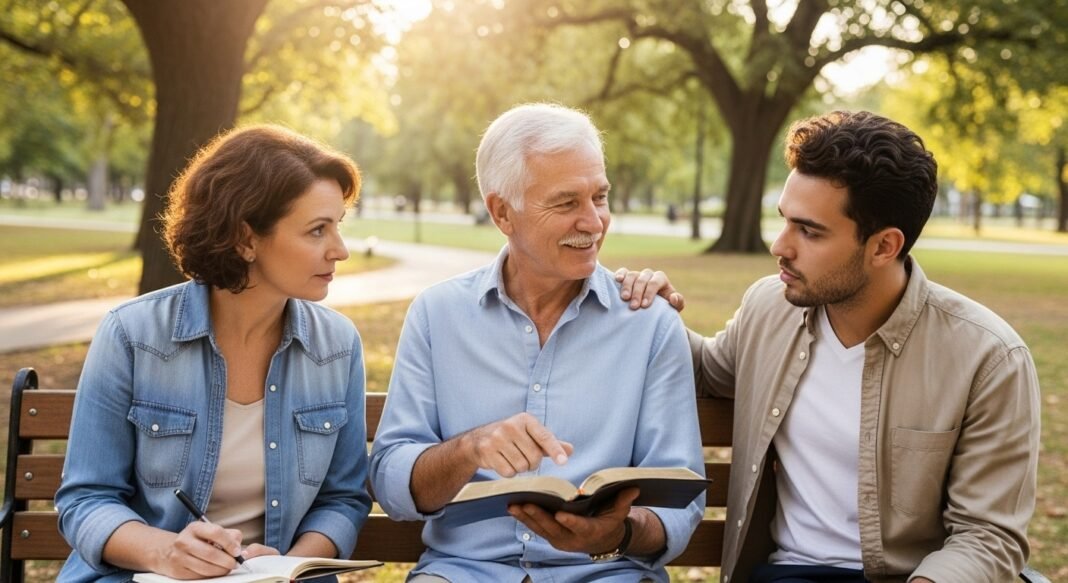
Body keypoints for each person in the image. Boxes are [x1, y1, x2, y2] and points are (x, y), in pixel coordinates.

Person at [618, 110, 1041, 582]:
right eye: (784, 221)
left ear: (884, 247)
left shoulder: (988, 358)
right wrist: (645, 308)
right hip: (789, 575)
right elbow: (704, 371)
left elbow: (988, 535)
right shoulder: (769, 308)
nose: (781, 246)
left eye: (810, 231)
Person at [368, 103, 705, 582]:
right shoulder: (437, 314)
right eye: (567, 203)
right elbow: (392, 482)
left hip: (605, 574)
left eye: (600, 197)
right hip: (464, 572)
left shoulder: (649, 324)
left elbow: (680, 502)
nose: (593, 223)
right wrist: (470, 449)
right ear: (502, 212)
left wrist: (616, 534)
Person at [55, 125, 373, 582]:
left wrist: (287, 566)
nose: (340, 250)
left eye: (338, 226)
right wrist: (166, 553)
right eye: (316, 230)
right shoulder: (133, 334)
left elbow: (342, 499)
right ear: (245, 239)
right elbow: (86, 499)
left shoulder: (338, 345)